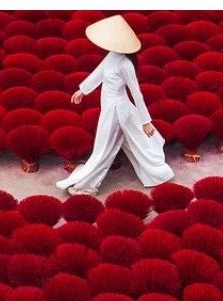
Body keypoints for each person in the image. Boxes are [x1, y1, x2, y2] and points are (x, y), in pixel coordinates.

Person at [56, 15, 174, 196]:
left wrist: (146, 121)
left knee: (103, 149)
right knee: (133, 142)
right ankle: (158, 173)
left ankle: (87, 186)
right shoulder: (112, 56)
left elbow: (136, 93)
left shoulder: (126, 64)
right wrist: (83, 90)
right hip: (112, 109)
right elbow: (99, 73)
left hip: (117, 111)